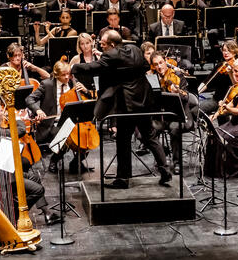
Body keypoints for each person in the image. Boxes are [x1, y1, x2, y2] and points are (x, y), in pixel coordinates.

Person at [71, 30, 171, 188]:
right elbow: (145, 66)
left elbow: (94, 68)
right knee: (150, 136)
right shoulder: (135, 49)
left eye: (103, 44)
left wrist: (75, 67)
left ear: (111, 44)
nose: (101, 47)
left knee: (123, 140)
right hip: (144, 99)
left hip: (127, 104)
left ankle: (123, 179)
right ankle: (165, 170)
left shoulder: (110, 56)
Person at [26, 60, 91, 174]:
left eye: (69, 74)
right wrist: (38, 110)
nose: (67, 77)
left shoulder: (73, 82)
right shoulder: (47, 84)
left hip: (72, 121)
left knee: (87, 137)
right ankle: (54, 159)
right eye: (63, 75)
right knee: (64, 136)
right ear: (56, 75)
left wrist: (86, 90)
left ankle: (76, 162)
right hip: (53, 123)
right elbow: (29, 99)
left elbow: (89, 97)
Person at [204, 56, 238, 180]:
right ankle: (212, 171)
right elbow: (229, 104)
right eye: (233, 70)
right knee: (214, 134)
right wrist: (216, 114)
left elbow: (237, 110)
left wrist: (225, 108)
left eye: (236, 71)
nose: (233, 74)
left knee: (224, 137)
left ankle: (227, 171)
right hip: (237, 121)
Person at [151, 51, 193, 174]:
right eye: (155, 64)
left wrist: (177, 93)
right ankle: (162, 156)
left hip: (180, 115)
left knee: (175, 129)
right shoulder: (153, 77)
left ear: (166, 61)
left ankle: (177, 163)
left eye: (161, 63)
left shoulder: (178, 75)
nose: (159, 66)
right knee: (146, 131)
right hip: (163, 116)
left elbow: (186, 97)